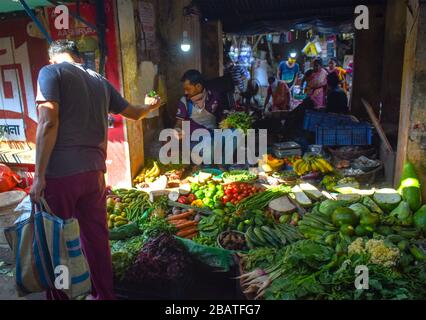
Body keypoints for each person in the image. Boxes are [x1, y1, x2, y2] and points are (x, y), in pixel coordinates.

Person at [30, 40, 160, 300]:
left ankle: (61, 297)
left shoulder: (50, 72)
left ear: (54, 57)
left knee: (58, 244)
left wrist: (39, 175)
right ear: (77, 57)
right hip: (94, 175)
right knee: (96, 239)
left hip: (60, 176)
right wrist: (151, 106)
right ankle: (104, 295)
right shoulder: (99, 81)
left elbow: (48, 122)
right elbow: (134, 113)